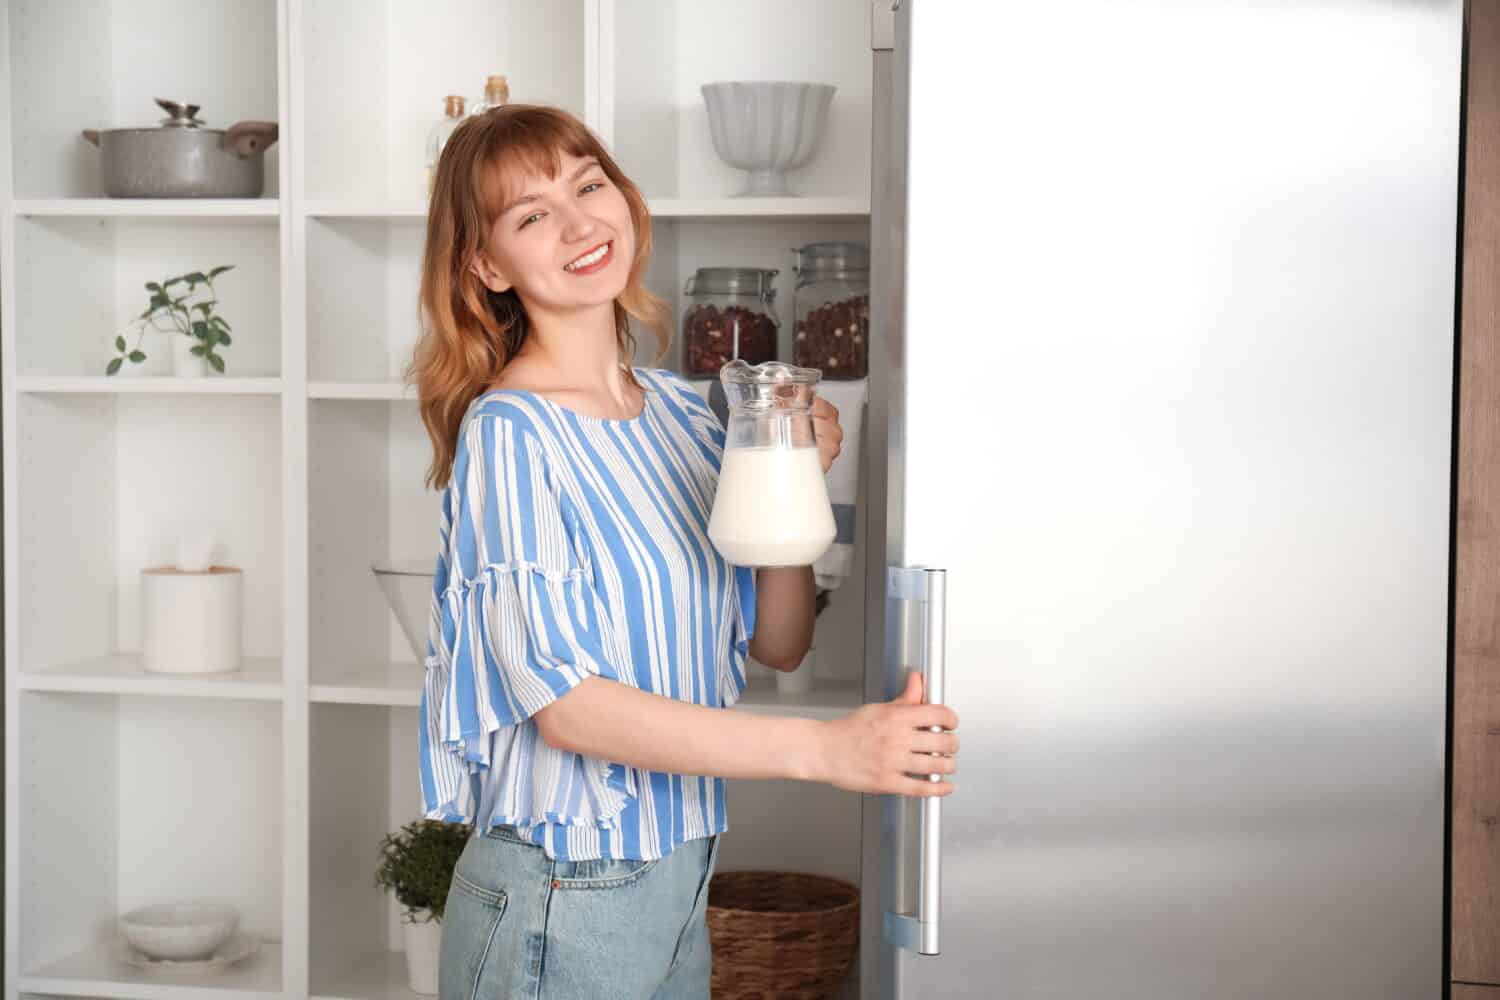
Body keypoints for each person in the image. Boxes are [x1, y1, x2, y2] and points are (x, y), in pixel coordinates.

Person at [406, 103, 960, 1000]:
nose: (581, 223)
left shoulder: (680, 412)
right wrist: (824, 752)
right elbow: (571, 712)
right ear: (485, 265)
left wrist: (794, 473)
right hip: (561, 891)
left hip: (678, 876)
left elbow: (779, 641)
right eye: (532, 214)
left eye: (589, 186)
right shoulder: (510, 434)